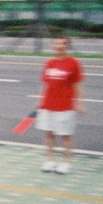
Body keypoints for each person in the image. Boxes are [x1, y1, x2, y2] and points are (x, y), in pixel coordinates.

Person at [36, 36, 85, 174]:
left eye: (62, 44)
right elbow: (45, 84)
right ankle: (50, 161)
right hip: (48, 104)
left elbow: (78, 85)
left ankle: (66, 163)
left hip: (66, 106)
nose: (59, 46)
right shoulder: (49, 63)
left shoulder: (74, 63)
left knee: (66, 135)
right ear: (53, 46)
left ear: (67, 46)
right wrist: (40, 101)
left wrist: (80, 103)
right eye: (56, 43)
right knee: (48, 133)